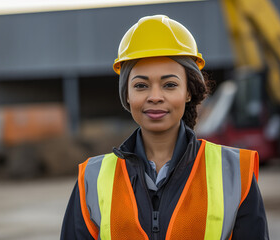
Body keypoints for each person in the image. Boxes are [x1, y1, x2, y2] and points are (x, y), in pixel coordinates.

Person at [60, 15, 268, 240]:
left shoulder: (236, 172)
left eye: (170, 85)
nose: (155, 97)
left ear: (188, 92)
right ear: (127, 95)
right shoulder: (92, 178)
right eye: (141, 85)